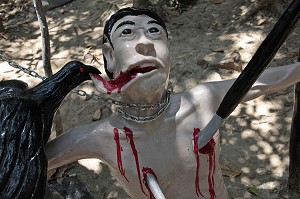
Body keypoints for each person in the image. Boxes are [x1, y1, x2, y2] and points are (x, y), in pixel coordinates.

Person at [45, 7, 300, 199]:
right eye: (128, 32)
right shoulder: (100, 137)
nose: (145, 43)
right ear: (109, 57)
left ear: (170, 52)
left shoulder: (201, 103)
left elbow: (265, 80)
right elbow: (29, 162)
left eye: (154, 32)